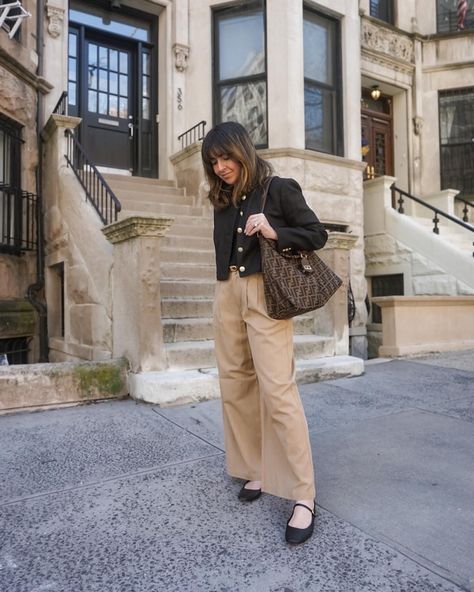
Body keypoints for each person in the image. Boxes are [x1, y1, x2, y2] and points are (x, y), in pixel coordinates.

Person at [201, 121, 328, 545]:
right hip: (226, 292)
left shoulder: (279, 188)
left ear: (243, 151)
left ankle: (303, 494)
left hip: (263, 293)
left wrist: (275, 231)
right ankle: (255, 469)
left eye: (225, 157)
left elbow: (317, 233)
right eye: (213, 161)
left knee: (277, 390)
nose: (220, 167)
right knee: (235, 384)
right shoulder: (221, 198)